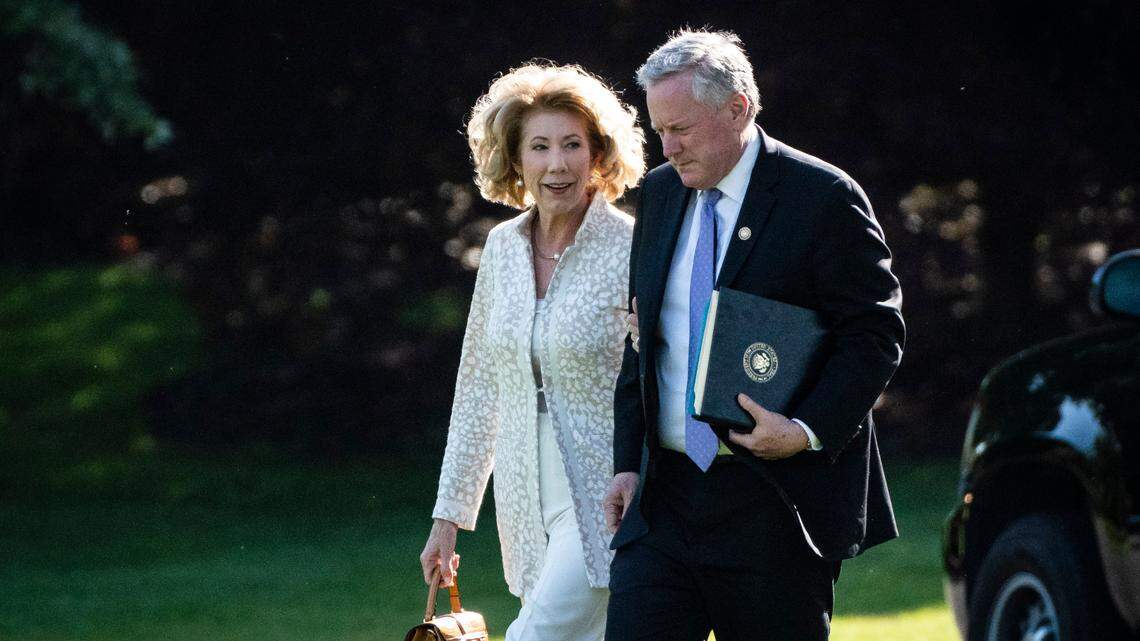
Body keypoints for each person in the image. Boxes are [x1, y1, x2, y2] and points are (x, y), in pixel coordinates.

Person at [602, 30, 905, 640]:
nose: (668, 147)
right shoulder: (660, 194)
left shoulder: (821, 196)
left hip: (773, 504)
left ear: (738, 107)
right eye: (660, 130)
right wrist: (627, 464)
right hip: (663, 504)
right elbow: (644, 338)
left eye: (680, 129)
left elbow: (873, 332)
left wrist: (805, 430)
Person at [420, 63, 646, 640]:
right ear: (515, 160)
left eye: (573, 145)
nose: (557, 164)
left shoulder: (632, 247)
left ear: (599, 154)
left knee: (537, 633)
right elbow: (479, 387)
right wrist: (447, 520)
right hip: (523, 493)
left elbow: (660, 376)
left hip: (608, 492)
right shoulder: (500, 249)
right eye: (540, 146)